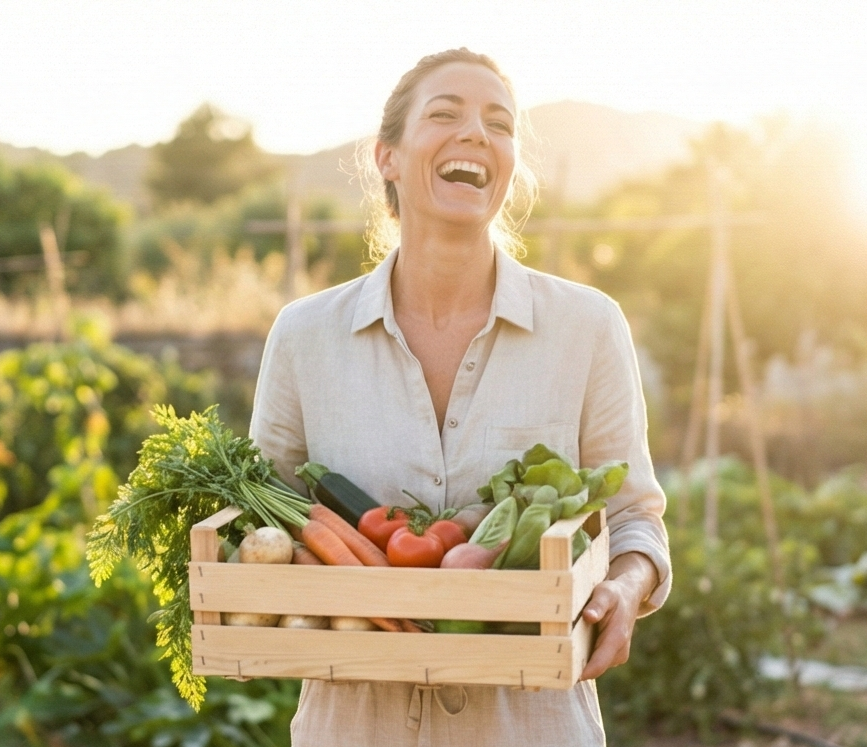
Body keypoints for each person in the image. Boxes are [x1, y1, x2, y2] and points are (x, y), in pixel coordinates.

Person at [249, 48, 672, 747]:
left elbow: (636, 519)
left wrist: (626, 586)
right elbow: (263, 516)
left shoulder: (588, 327)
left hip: (532, 725)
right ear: (387, 156)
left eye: (499, 123)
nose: (477, 132)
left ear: (509, 164)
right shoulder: (304, 336)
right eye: (445, 114)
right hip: (352, 728)